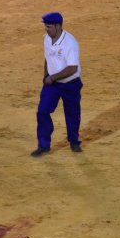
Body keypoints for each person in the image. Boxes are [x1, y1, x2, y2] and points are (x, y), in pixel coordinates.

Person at [31, 12, 83, 157]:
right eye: (45, 27)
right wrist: (45, 75)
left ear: (58, 26)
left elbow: (72, 68)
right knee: (42, 111)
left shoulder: (70, 43)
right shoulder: (47, 39)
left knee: (72, 114)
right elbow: (47, 57)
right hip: (52, 84)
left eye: (49, 27)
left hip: (70, 84)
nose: (46, 30)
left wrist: (52, 77)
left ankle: (74, 142)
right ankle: (43, 145)